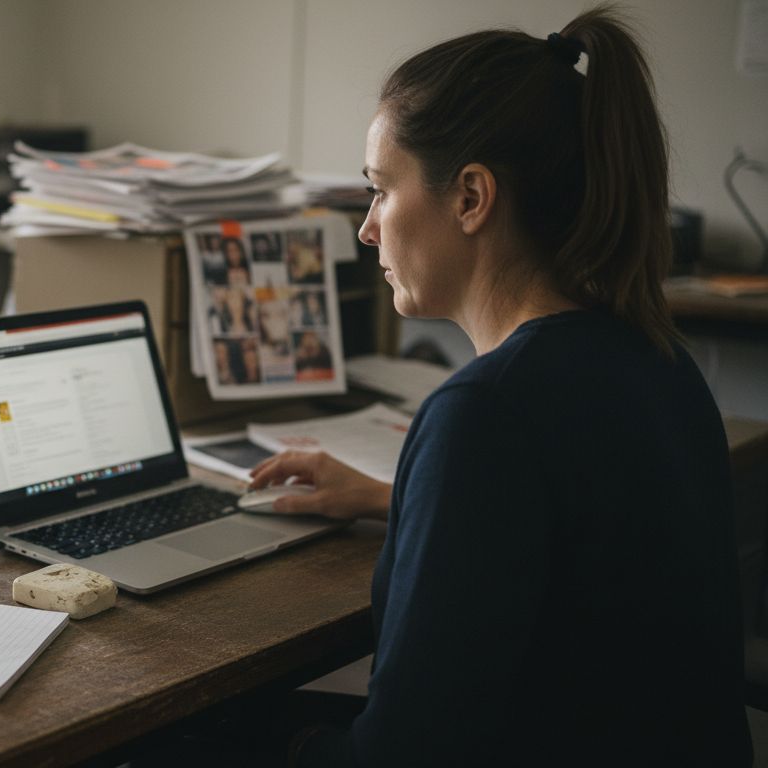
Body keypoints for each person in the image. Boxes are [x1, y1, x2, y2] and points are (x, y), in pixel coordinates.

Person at [248, 7, 750, 766]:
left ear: (472, 198)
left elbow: (404, 754)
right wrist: (402, 498)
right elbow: (582, 530)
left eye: (381, 190)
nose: (368, 229)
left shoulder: (485, 410)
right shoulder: (657, 361)